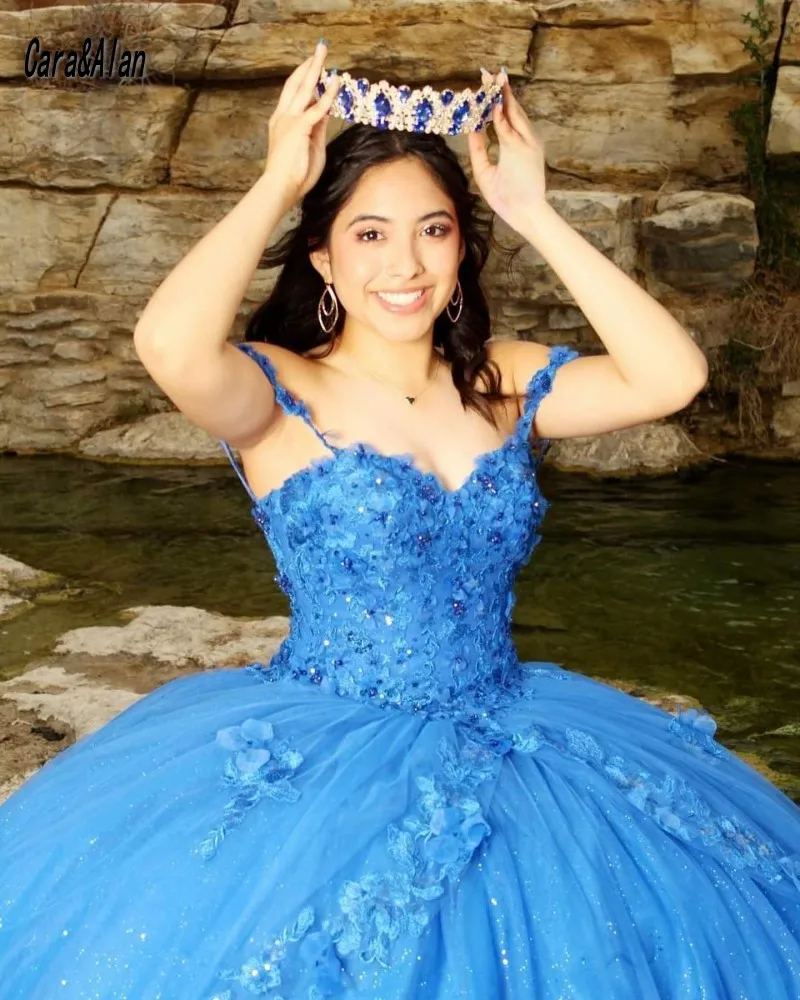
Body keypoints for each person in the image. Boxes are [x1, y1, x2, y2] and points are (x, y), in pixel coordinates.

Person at [1, 39, 799, 1000]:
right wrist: (274, 182)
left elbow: (674, 377)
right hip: (329, 750)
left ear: (463, 246)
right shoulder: (276, 388)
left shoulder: (502, 381)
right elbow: (167, 342)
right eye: (370, 234)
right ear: (324, 255)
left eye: (435, 229)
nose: (406, 263)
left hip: (518, 731)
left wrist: (533, 210)